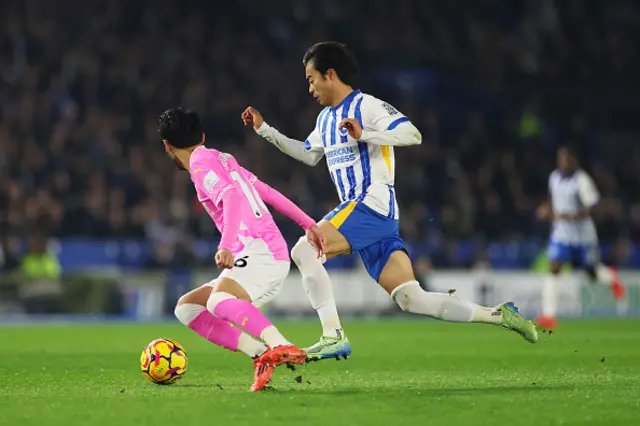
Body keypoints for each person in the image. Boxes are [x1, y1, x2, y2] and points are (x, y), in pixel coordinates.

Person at [242, 41, 538, 361]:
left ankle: (333, 335)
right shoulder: (324, 121)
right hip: (368, 217)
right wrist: (265, 131)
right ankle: (499, 315)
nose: (310, 88)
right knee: (411, 298)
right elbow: (309, 154)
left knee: (304, 249)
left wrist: (366, 134)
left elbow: (412, 135)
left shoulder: (367, 106)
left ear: (330, 74)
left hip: (372, 202)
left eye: (312, 79)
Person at [158, 107, 326, 391]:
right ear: (202, 135)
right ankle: (261, 354)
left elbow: (231, 196)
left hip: (259, 250)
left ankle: (280, 343)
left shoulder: (200, 165)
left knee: (216, 301)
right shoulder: (222, 159)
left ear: (167, 146)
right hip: (263, 252)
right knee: (188, 308)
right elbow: (267, 192)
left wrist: (226, 246)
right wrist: (308, 223)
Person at [535, 146, 625, 330]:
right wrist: (546, 208)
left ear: (575, 160)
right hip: (561, 233)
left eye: (567, 159)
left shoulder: (582, 181)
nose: (563, 162)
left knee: (590, 273)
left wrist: (569, 215)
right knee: (554, 268)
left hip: (583, 235)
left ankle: (611, 277)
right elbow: (554, 198)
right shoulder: (554, 177)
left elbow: (594, 208)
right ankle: (549, 315)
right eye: (561, 158)